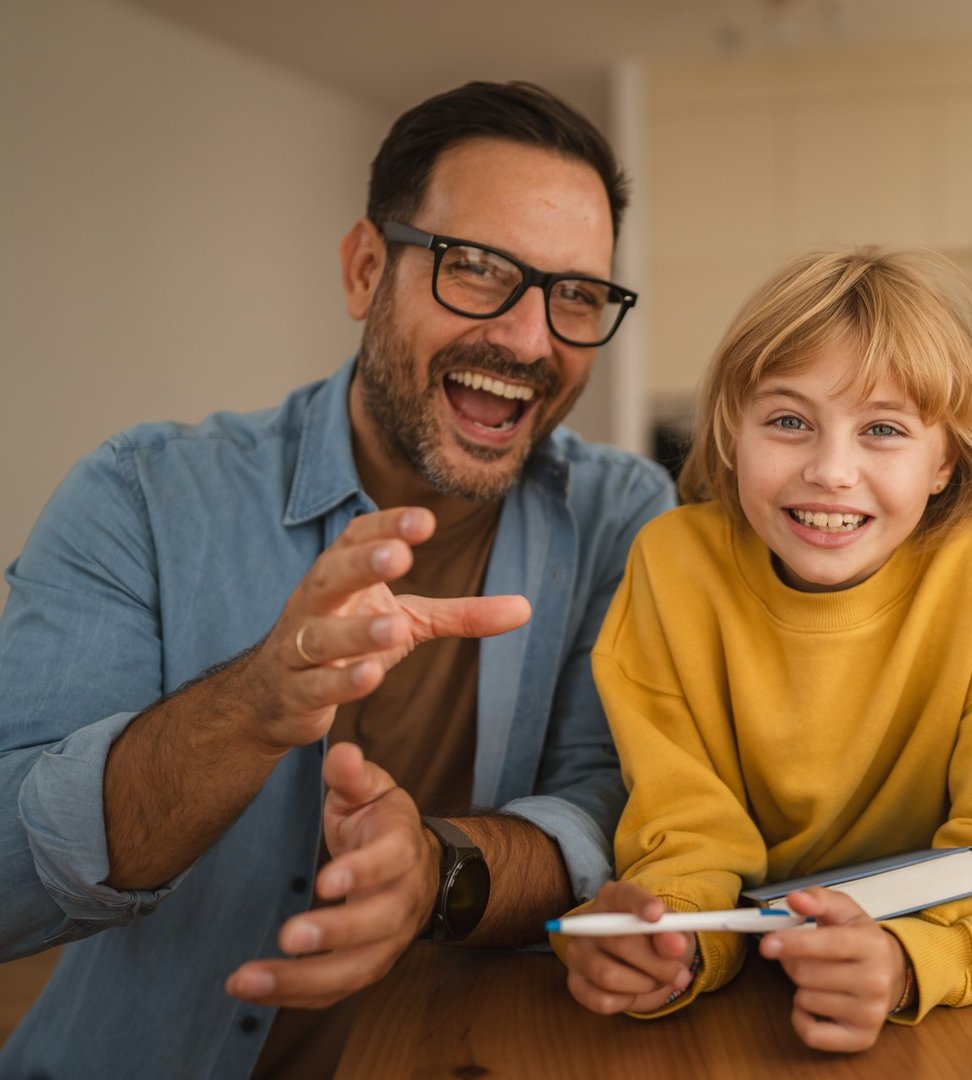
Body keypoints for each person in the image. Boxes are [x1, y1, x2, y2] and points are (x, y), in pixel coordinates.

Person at [0, 81, 674, 1078]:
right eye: (479, 268)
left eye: (575, 294)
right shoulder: (142, 496)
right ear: (367, 270)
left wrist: (437, 874)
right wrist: (256, 703)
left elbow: (606, 807)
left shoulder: (625, 519)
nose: (531, 340)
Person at [556, 248, 972, 1052]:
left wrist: (907, 956)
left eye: (882, 430)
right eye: (788, 421)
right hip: (742, 991)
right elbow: (683, 825)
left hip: (941, 991)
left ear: (944, 461)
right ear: (731, 431)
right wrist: (665, 942)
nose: (829, 470)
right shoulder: (670, 565)